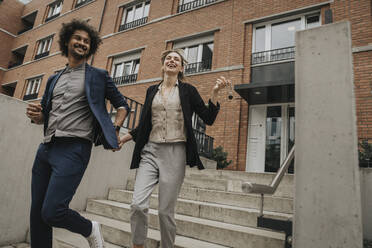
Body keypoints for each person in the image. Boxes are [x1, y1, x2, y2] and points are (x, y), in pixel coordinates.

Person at [25, 19, 129, 248]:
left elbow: (122, 105)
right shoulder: (54, 78)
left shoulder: (98, 76)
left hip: (74, 148)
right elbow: (44, 113)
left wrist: (115, 128)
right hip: (46, 148)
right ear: (67, 41)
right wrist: (37, 115)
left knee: (52, 211)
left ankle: (90, 228)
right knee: (37, 213)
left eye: (86, 41)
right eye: (78, 39)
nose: (82, 43)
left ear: (90, 47)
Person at [119, 49, 229, 248]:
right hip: (150, 152)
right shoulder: (151, 90)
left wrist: (214, 92)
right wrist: (125, 138)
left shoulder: (188, 91)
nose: (171, 61)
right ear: (163, 65)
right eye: (168, 58)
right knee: (137, 205)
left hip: (175, 152)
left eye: (176, 59)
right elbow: (145, 123)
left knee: (165, 211)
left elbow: (208, 118)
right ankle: (138, 245)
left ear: (181, 67)